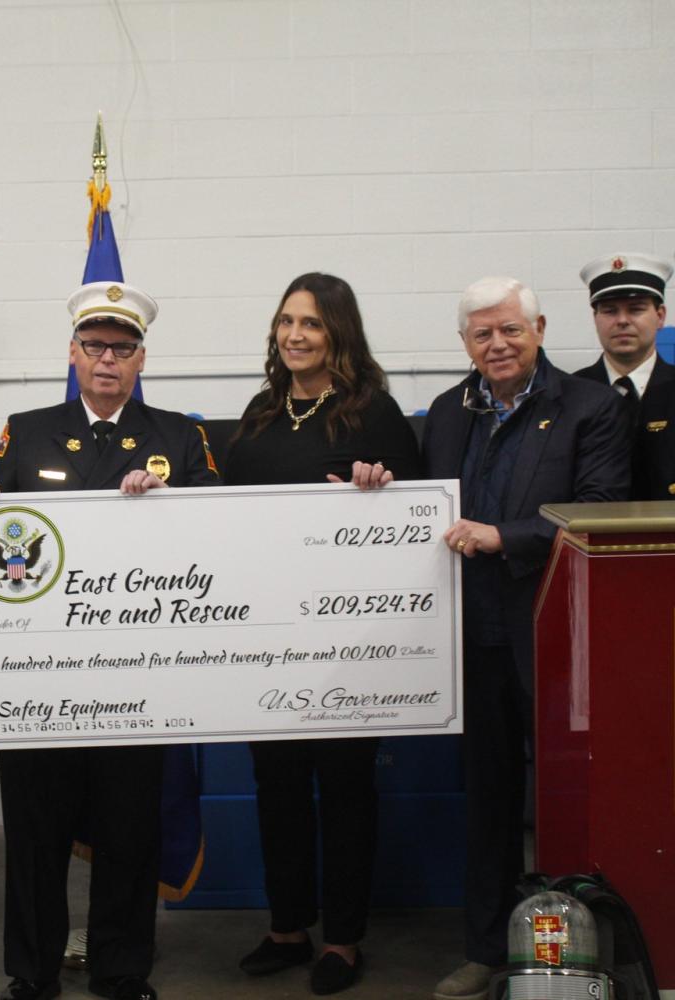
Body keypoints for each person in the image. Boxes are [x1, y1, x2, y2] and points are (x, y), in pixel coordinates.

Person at [0, 280, 219, 1000]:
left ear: (141, 359)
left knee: (131, 832)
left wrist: (170, 509)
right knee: (36, 834)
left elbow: (223, 534)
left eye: (122, 348)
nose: (108, 360)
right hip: (40, 675)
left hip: (137, 674)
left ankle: (122, 968)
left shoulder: (177, 437)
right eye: (94, 346)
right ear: (72, 353)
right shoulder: (27, 429)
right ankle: (31, 971)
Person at [424, 277, 631, 1000]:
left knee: (568, 800)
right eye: (482, 334)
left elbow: (600, 510)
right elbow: (427, 506)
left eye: (510, 329)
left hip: (558, 643)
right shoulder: (449, 412)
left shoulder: (589, 407)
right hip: (472, 643)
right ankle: (486, 949)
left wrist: (503, 536)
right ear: (464, 343)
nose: (498, 344)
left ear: (539, 327)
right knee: (487, 801)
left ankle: (578, 957)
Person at [225, 273, 420, 996]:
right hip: (266, 640)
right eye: (285, 322)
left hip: (348, 646)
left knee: (343, 789)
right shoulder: (261, 412)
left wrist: (382, 488)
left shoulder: (375, 414)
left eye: (311, 323)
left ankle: (341, 938)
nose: (295, 335)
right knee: (275, 785)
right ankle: (287, 927)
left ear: (339, 331)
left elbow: (415, 519)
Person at [574, 252, 673, 424]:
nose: (622, 321)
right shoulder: (569, 394)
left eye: (636, 309)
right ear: (595, 318)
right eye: (610, 311)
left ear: (660, 316)